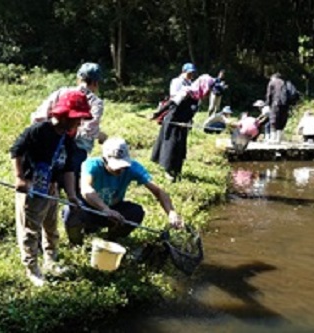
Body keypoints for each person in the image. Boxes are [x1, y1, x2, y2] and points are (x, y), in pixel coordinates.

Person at [10, 90, 92, 287]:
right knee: (30, 230)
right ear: (65, 115)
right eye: (77, 118)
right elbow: (16, 151)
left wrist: (72, 195)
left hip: (52, 187)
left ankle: (51, 260)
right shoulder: (38, 131)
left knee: (51, 227)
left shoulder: (67, 138)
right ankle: (32, 268)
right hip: (34, 186)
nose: (79, 123)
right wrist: (20, 178)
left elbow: (69, 168)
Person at [64, 137, 184, 245]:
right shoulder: (91, 165)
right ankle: (76, 243)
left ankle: (111, 240)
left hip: (113, 210)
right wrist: (105, 209)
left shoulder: (133, 168)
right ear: (104, 160)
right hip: (91, 208)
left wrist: (171, 212)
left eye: (123, 167)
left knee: (136, 212)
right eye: (116, 167)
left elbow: (158, 191)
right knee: (71, 210)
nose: (120, 171)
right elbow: (86, 189)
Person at [31, 62, 107, 191]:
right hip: (76, 149)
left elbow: (39, 117)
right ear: (96, 83)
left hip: (49, 142)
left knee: (43, 182)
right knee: (72, 184)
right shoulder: (96, 102)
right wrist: (101, 135)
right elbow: (88, 131)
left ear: (78, 79)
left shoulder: (61, 92)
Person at [151, 74, 215, 182]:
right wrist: (157, 114)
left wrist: (189, 122)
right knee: (171, 145)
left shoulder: (197, 96)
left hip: (183, 124)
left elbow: (191, 111)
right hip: (173, 122)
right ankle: (167, 171)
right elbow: (171, 103)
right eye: (209, 89)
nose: (209, 92)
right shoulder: (186, 91)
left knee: (180, 147)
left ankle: (177, 171)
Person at [265, 73, 289, 143]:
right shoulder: (284, 82)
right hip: (285, 104)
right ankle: (279, 139)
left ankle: (273, 138)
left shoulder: (272, 82)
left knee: (274, 120)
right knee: (281, 120)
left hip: (275, 104)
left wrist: (267, 104)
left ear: (273, 77)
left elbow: (269, 94)